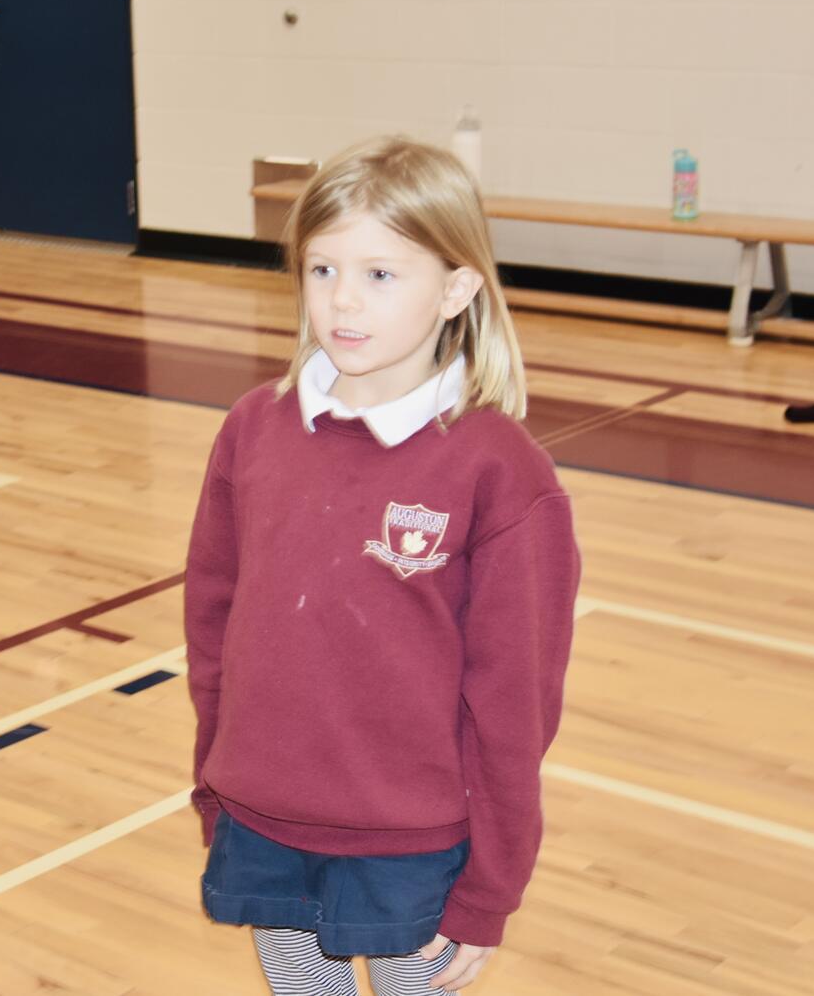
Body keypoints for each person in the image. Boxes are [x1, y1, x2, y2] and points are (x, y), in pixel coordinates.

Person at [184, 137, 579, 994]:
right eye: (322, 269)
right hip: (264, 819)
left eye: (379, 274)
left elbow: (515, 703)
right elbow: (212, 627)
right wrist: (214, 778)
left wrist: (491, 883)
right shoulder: (253, 428)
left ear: (456, 289)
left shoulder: (498, 470)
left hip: (412, 844)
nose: (342, 300)